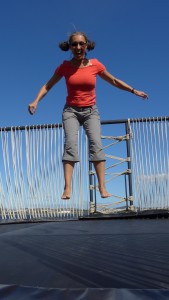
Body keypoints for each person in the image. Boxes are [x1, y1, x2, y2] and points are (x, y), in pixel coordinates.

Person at [28, 31, 148, 200]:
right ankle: (67, 187)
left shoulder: (96, 65)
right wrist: (35, 101)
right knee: (70, 144)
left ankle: (102, 186)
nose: (78, 47)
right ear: (69, 47)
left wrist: (133, 90)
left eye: (81, 44)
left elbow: (113, 80)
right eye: (74, 44)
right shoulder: (64, 67)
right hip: (71, 111)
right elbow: (48, 85)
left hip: (91, 111)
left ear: (87, 45)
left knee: (96, 144)